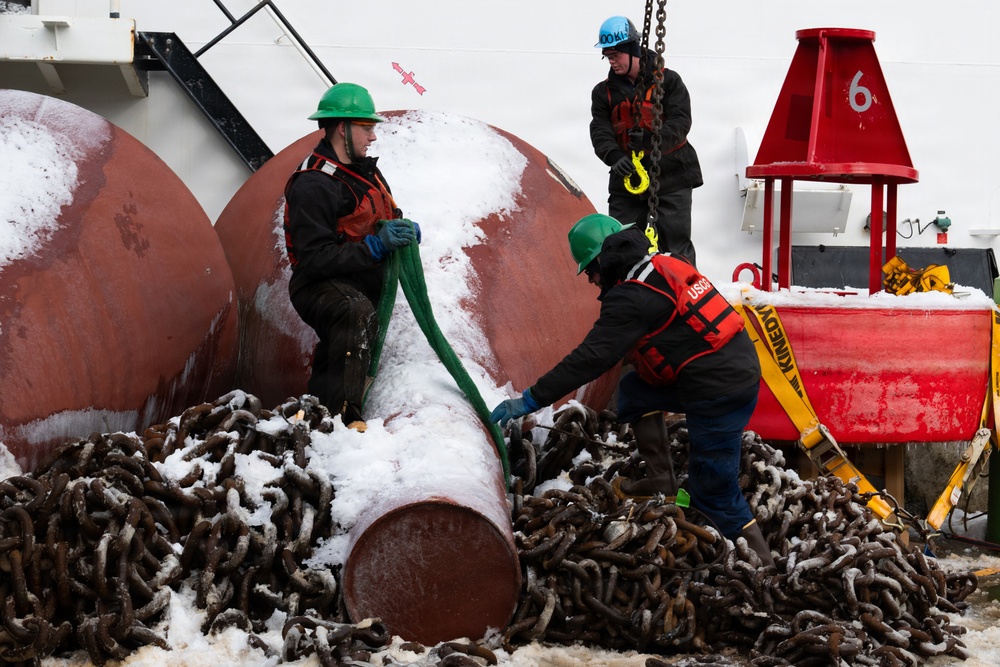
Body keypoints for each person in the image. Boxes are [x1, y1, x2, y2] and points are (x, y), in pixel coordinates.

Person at [489, 213, 773, 567]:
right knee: (636, 389)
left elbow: (591, 358)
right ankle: (662, 480)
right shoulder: (663, 263)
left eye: (590, 271)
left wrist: (531, 399)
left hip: (718, 394)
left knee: (713, 490)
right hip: (728, 370)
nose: (592, 281)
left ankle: (764, 567)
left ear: (603, 260)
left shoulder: (631, 298)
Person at [283, 82, 418, 431]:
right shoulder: (314, 184)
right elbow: (313, 259)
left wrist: (400, 229)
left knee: (351, 318)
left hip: (356, 277)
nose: (373, 137)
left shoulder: (363, 170)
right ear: (342, 128)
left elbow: (383, 211)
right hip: (318, 284)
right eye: (367, 128)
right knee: (352, 311)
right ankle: (344, 419)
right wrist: (374, 248)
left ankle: (316, 407)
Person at [590, 15, 703, 268]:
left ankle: (685, 302)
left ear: (632, 50)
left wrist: (653, 141)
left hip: (673, 176)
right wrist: (614, 156)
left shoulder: (669, 81)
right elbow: (600, 129)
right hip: (628, 182)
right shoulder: (603, 92)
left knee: (676, 247)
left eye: (616, 54)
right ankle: (627, 301)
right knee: (622, 247)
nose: (611, 60)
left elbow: (681, 122)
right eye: (607, 55)